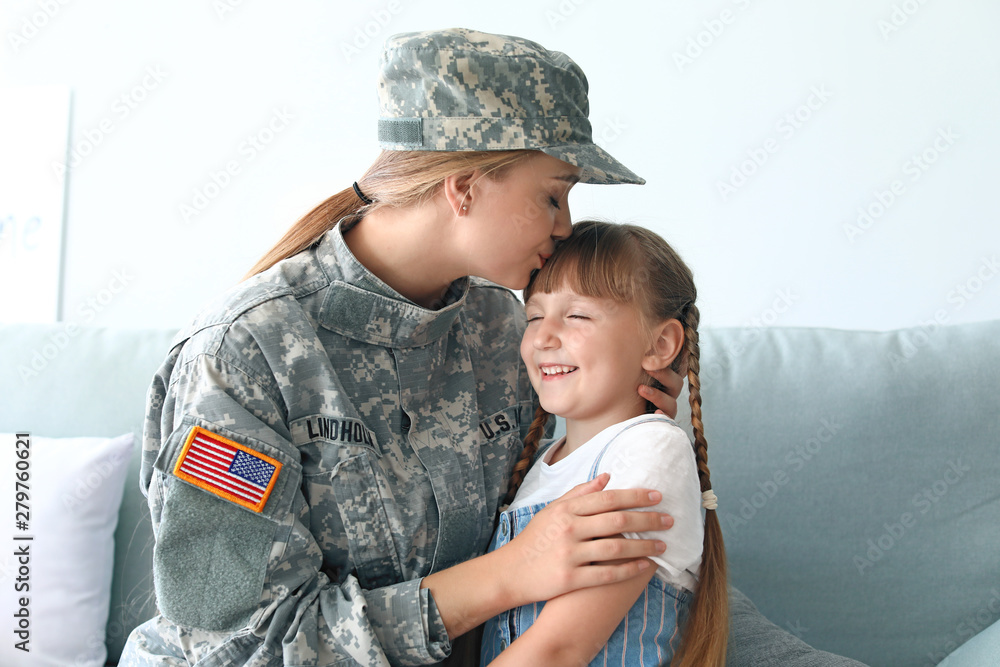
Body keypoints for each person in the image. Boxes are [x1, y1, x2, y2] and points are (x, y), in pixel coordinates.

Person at [120, 28, 681, 667]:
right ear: (464, 185)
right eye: (553, 194)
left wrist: (621, 413)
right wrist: (505, 574)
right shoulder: (243, 357)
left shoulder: (513, 336)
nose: (566, 227)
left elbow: (615, 564)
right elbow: (240, 648)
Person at [480, 220, 727, 667]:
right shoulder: (542, 463)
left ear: (660, 344)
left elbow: (560, 649)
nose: (543, 336)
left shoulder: (652, 451)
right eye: (534, 316)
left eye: (576, 315)